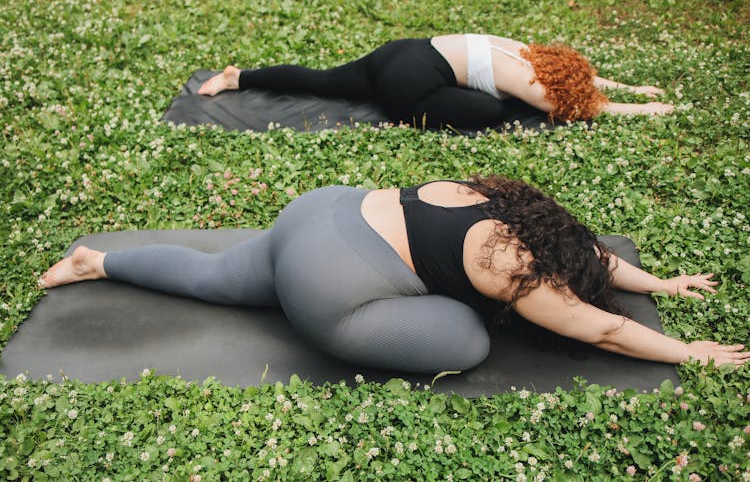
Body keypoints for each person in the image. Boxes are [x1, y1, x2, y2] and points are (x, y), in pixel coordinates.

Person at [39, 178, 745, 373]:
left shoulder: (505, 204)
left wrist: (661, 283)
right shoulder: (524, 272)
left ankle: (94, 260)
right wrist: (692, 351)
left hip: (323, 210)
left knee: (217, 276)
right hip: (331, 284)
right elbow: (609, 333)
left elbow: (588, 252)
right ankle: (95, 264)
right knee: (468, 343)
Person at [198, 34, 675, 129]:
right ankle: (238, 78)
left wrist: (633, 87)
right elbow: (584, 106)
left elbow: (583, 76)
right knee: (492, 113)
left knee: (326, 81)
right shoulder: (535, 89)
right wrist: (641, 108)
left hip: (407, 51)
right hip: (406, 88)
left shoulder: (523, 50)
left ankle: (238, 78)